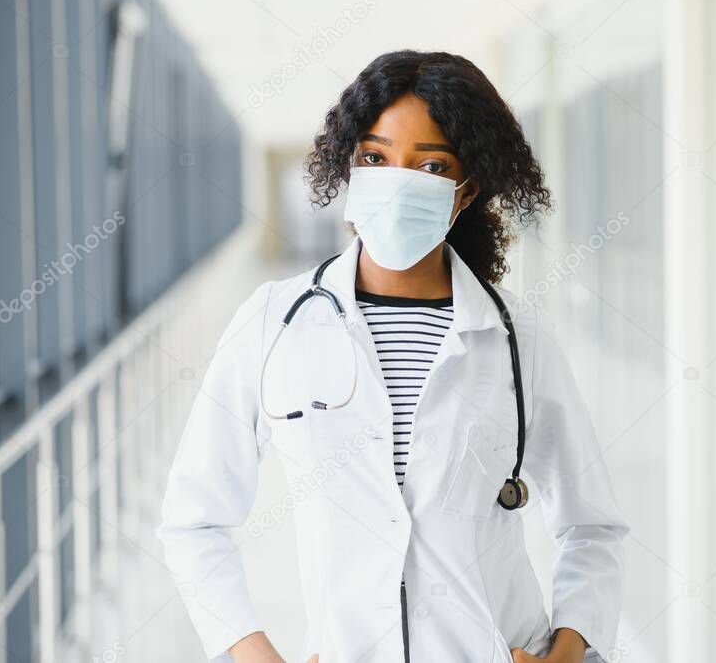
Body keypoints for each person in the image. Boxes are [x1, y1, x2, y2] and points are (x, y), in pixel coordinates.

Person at [157, 49, 628, 663]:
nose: (398, 181)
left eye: (432, 165)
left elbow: (591, 527)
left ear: (468, 188)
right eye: (376, 158)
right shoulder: (274, 322)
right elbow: (193, 522)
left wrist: (566, 656)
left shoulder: (519, 339)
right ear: (350, 164)